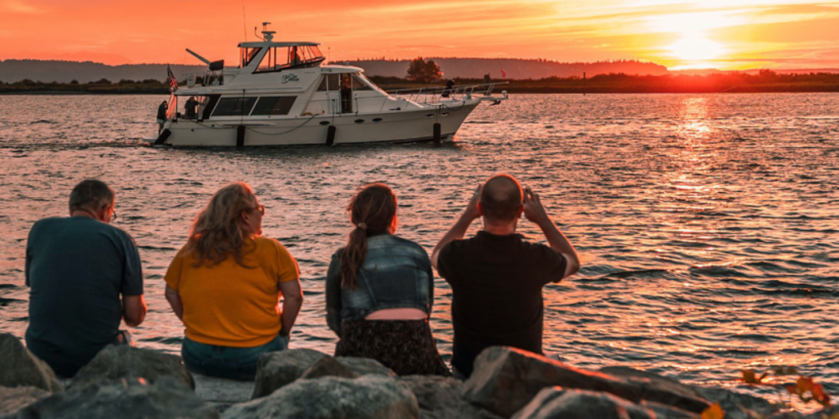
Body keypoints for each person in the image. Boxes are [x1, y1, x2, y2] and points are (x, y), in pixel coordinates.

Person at [433, 174, 580, 378]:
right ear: (520, 212)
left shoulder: (457, 254)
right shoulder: (536, 257)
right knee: (554, 359)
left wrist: (467, 216)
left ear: (480, 209)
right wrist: (544, 221)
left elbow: (436, 254)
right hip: (521, 371)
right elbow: (572, 261)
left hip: (469, 371)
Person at [163, 182, 301, 380]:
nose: (262, 215)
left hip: (198, 355)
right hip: (253, 358)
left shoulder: (192, 249)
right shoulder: (272, 249)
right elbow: (294, 296)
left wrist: (193, 325)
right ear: (245, 215)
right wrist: (284, 331)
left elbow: (170, 292)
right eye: (259, 210)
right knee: (280, 341)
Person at [24, 178, 147, 379]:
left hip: (42, 356)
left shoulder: (39, 230)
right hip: (95, 358)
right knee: (128, 342)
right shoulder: (120, 239)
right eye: (112, 214)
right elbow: (133, 318)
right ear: (106, 210)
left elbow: (41, 286)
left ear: (71, 207)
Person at [325, 183, 446, 375]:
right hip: (416, 352)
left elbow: (334, 320)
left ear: (355, 217)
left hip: (361, 354)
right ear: (393, 217)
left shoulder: (343, 258)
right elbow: (426, 309)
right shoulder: (417, 253)